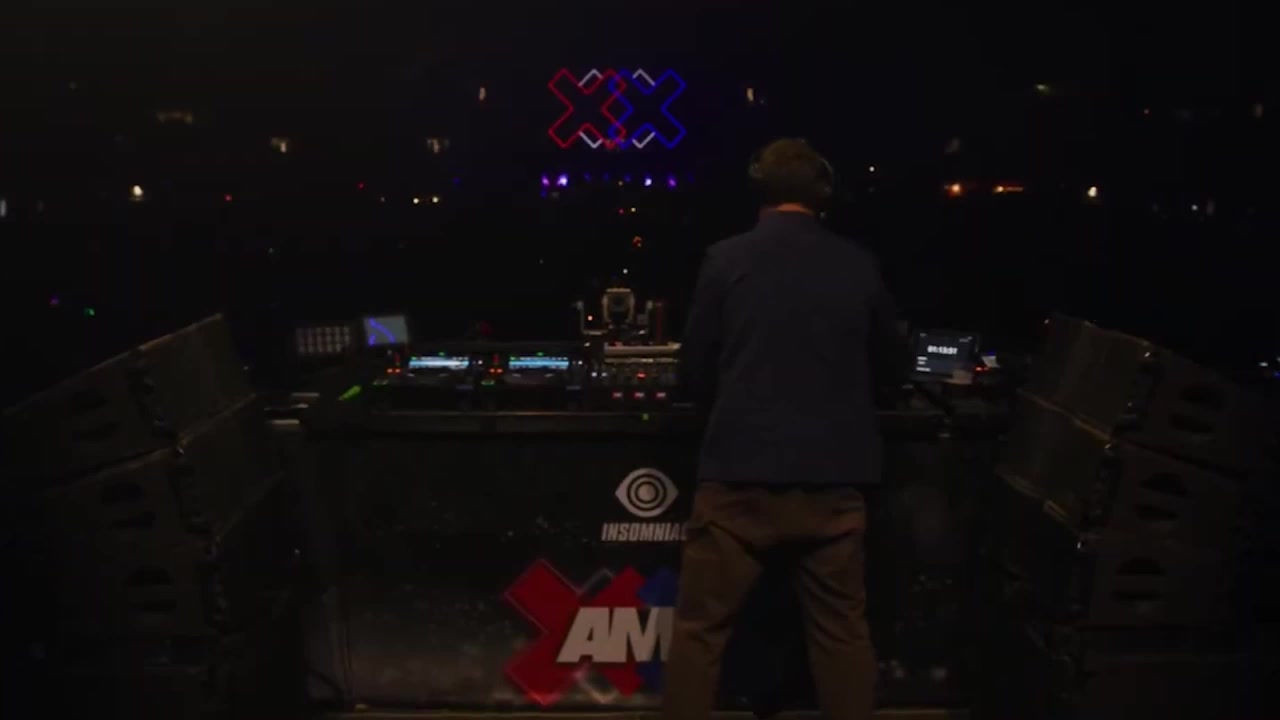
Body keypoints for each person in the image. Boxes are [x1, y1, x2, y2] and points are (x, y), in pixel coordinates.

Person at [664, 138, 910, 720]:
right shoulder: (858, 263)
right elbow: (892, 371)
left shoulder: (724, 260)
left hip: (738, 481)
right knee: (841, 634)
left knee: (700, 632)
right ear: (824, 193)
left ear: (759, 189)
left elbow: (695, 370)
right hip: (833, 483)